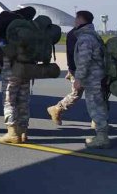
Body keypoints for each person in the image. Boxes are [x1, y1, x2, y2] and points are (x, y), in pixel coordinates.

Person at [73, 11, 110, 149]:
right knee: (100, 106)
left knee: (96, 107)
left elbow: (84, 61)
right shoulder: (93, 35)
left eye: (76, 19)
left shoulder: (85, 39)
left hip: (93, 79)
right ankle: (102, 135)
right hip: (98, 77)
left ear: (80, 20)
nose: (74, 22)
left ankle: (102, 138)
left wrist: (78, 78)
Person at [0, 30, 32, 144]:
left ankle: (12, 133)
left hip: (11, 75)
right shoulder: (28, 39)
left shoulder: (5, 40)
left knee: (9, 102)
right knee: (23, 102)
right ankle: (23, 132)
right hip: (26, 73)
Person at [47, 23, 84, 125]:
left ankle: (98, 122)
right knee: (76, 93)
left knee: (94, 95)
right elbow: (71, 53)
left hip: (85, 70)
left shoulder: (84, 34)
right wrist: (72, 70)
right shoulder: (75, 34)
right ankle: (57, 108)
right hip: (77, 70)